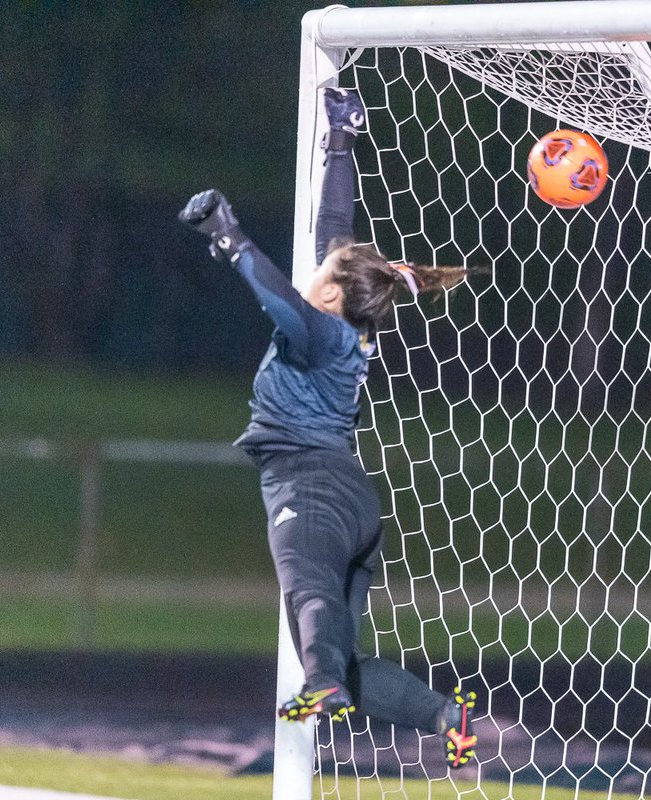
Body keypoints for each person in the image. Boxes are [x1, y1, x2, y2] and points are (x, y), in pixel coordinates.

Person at [178, 88, 477, 769]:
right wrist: (341, 140)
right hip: (351, 502)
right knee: (341, 656)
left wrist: (229, 237)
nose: (316, 264)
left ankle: (322, 683)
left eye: (323, 270)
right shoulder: (349, 326)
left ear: (333, 292)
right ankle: (442, 715)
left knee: (309, 595)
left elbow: (280, 297)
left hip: (308, 488)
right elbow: (335, 228)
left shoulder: (319, 332)